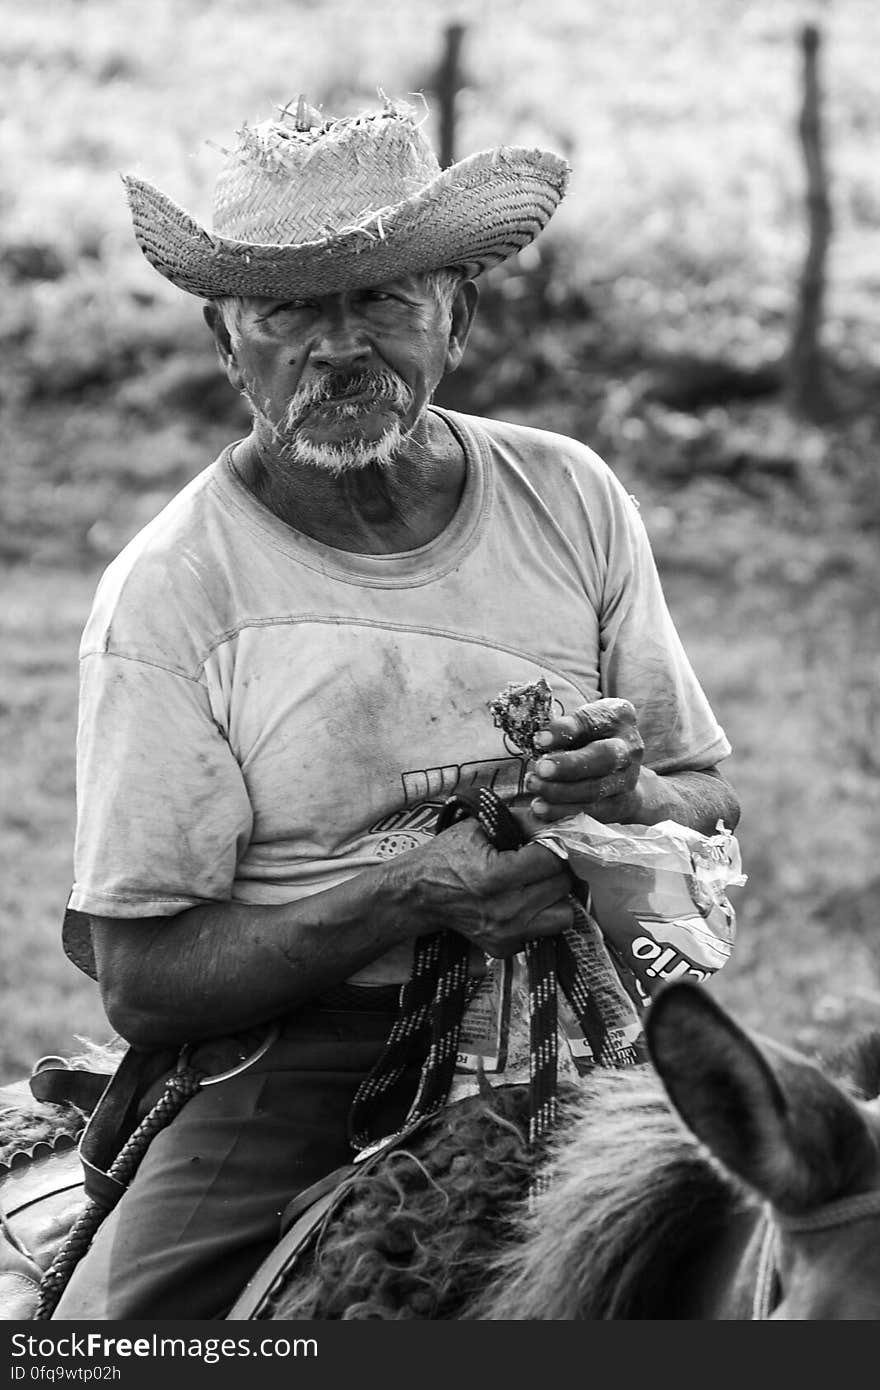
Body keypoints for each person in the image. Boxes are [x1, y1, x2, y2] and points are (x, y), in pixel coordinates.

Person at [53, 96, 739, 1319]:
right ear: (226, 341)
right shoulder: (173, 593)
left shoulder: (569, 496)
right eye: (290, 311)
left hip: (588, 1026)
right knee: (128, 1339)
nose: (338, 347)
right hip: (310, 1051)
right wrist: (414, 889)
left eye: (382, 299)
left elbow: (703, 796)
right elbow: (146, 983)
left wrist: (628, 790)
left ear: (456, 317)